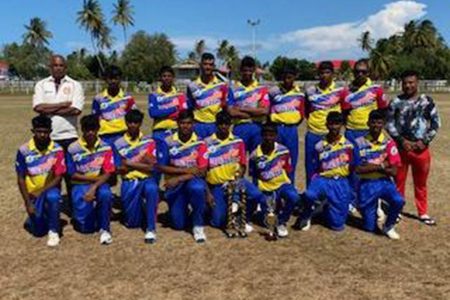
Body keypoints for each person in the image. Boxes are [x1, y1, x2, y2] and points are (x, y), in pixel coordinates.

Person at [386, 70, 441, 225]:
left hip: (421, 149)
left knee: (421, 183)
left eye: (411, 82)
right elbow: (388, 123)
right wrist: (401, 140)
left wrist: (424, 141)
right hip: (401, 148)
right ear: (401, 84)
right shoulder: (395, 102)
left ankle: (423, 212)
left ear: (417, 83)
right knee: (398, 181)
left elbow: (436, 123)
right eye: (405, 83)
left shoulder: (426, 101)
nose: (408, 86)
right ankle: (397, 210)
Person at [204, 111, 265, 232]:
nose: (223, 127)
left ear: (230, 124)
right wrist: (208, 192)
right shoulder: (207, 143)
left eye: (226, 124)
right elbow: (203, 170)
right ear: (216, 124)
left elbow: (242, 165)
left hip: (235, 181)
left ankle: (243, 218)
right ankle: (212, 210)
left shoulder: (238, 142)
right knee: (217, 222)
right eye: (220, 124)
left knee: (257, 195)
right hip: (217, 185)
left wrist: (237, 180)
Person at [32, 55, 85, 197]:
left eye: (61, 65)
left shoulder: (75, 85)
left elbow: (75, 110)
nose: (58, 68)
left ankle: (74, 210)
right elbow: (38, 108)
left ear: (65, 67)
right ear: (50, 67)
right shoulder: (41, 84)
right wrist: (61, 105)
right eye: (55, 65)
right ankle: (50, 207)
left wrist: (48, 109)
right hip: (48, 137)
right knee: (50, 173)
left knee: (70, 174)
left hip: (69, 136)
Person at [295, 112, 355, 231]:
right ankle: (307, 214)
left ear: (342, 125)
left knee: (337, 226)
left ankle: (327, 206)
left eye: (337, 124)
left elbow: (354, 169)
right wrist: (314, 183)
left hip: (340, 182)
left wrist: (349, 190)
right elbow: (313, 168)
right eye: (331, 124)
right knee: (309, 194)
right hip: (323, 180)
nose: (334, 127)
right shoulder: (319, 145)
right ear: (326, 125)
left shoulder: (349, 145)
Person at [157, 110, 208, 243]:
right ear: (177, 124)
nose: (186, 126)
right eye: (182, 123)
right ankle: (184, 209)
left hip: (190, 181)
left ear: (194, 124)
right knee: (178, 225)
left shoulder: (200, 142)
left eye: (189, 123)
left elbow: (202, 171)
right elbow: (161, 166)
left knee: (197, 188)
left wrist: (179, 177)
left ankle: (198, 225)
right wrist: (188, 170)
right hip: (175, 186)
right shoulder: (167, 141)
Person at [16, 115, 66, 247]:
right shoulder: (24, 150)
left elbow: (58, 177)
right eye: (39, 131)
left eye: (46, 131)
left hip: (50, 190)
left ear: (50, 131)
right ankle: (36, 217)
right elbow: (20, 178)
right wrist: (27, 203)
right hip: (33, 194)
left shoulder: (57, 149)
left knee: (54, 197)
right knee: (38, 232)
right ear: (33, 131)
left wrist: (42, 191)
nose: (43, 135)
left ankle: (54, 230)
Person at [354, 110, 404, 239]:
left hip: (384, 182)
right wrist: (382, 164)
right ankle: (372, 209)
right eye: (373, 122)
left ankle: (389, 225)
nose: (376, 125)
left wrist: (370, 166)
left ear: (383, 124)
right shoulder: (359, 143)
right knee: (369, 228)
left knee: (399, 200)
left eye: (379, 122)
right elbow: (358, 169)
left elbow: (394, 171)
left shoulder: (388, 143)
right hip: (366, 185)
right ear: (368, 123)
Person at [66, 115, 115, 244]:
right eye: (87, 130)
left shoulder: (106, 147)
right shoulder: (73, 148)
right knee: (85, 228)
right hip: (80, 184)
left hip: (99, 184)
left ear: (98, 129)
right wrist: (92, 180)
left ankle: (105, 228)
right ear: (82, 130)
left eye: (93, 130)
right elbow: (72, 174)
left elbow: (108, 172)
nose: (90, 133)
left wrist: (93, 187)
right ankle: (86, 217)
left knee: (105, 193)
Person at [114, 110, 159, 244]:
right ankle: (141, 208)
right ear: (126, 123)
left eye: (136, 122)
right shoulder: (118, 143)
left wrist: (129, 163)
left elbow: (152, 167)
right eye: (130, 122)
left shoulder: (148, 141)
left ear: (140, 124)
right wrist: (141, 162)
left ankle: (150, 229)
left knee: (152, 189)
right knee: (132, 223)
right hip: (129, 180)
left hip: (146, 179)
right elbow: (118, 169)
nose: (133, 125)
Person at [249, 122, 300, 238]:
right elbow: (254, 175)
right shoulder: (254, 154)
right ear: (261, 136)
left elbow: (287, 171)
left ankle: (281, 222)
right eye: (266, 135)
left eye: (271, 135)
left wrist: (286, 188)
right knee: (266, 217)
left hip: (281, 185)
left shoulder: (284, 151)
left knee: (294, 197)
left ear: (276, 136)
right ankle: (269, 215)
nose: (268, 138)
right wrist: (259, 195)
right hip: (265, 190)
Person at [304, 61, 347, 186]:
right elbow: (307, 110)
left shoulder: (340, 90)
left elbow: (345, 110)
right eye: (321, 73)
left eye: (327, 72)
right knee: (312, 167)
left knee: (332, 166)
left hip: (332, 135)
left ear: (333, 74)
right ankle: (312, 197)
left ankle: (330, 197)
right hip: (314, 133)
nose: (324, 75)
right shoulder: (311, 91)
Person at [269, 66, 305, 184]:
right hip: (278, 129)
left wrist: (292, 122)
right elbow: (268, 109)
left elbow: (302, 114)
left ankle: (290, 187)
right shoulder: (274, 92)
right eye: (284, 78)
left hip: (291, 130)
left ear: (294, 78)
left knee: (291, 160)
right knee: (276, 159)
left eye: (290, 78)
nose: (287, 80)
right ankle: (275, 190)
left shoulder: (299, 94)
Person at [228, 56, 270, 153]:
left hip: (257, 128)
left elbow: (264, 111)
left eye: (250, 71)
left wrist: (241, 109)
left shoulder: (261, 88)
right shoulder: (233, 88)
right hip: (239, 127)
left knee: (256, 158)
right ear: (241, 70)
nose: (247, 73)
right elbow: (231, 112)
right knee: (238, 159)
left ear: (254, 71)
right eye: (245, 70)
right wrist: (254, 112)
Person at [342, 59, 388, 143]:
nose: (360, 74)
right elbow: (344, 112)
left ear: (368, 73)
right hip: (351, 131)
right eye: (357, 71)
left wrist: (377, 128)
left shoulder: (376, 89)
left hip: (370, 131)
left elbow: (383, 110)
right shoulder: (347, 91)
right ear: (354, 72)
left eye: (363, 72)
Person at [92, 65, 137, 146]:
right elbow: (95, 119)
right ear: (105, 79)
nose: (113, 81)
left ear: (120, 79)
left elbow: (134, 118)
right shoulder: (98, 98)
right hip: (104, 137)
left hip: (123, 135)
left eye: (116, 78)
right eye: (110, 78)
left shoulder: (127, 98)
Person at [187, 53, 228, 139]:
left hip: (216, 125)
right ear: (200, 65)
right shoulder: (192, 86)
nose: (208, 67)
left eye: (210, 65)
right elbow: (190, 108)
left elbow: (225, 106)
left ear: (214, 66)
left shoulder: (222, 85)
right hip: (198, 125)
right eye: (205, 64)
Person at [149, 66, 188, 142]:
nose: (167, 78)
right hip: (159, 131)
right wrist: (174, 109)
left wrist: (161, 113)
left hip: (175, 131)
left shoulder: (179, 94)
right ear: (160, 78)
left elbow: (183, 113)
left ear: (173, 78)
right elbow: (153, 113)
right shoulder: (154, 95)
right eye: (164, 76)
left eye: (169, 76)